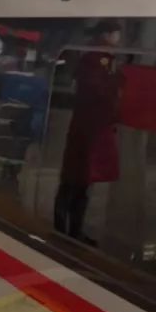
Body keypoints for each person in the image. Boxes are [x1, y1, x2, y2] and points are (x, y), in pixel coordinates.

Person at [54, 21, 123, 245]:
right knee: (76, 180)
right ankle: (65, 230)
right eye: (116, 34)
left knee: (80, 180)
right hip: (89, 128)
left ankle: (70, 230)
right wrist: (117, 83)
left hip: (88, 126)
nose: (119, 39)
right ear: (108, 34)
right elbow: (99, 89)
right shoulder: (98, 57)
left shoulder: (99, 55)